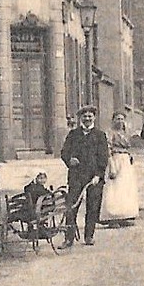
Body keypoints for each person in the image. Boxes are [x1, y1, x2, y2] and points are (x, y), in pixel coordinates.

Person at [59, 105, 109, 246]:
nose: (87, 119)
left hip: (94, 177)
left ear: (94, 118)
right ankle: (68, 238)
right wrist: (69, 160)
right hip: (76, 175)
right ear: (80, 118)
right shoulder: (73, 134)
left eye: (90, 116)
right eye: (84, 116)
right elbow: (64, 152)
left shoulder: (100, 135)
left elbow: (104, 157)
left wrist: (98, 175)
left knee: (93, 206)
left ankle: (89, 236)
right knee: (72, 206)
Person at [101, 111, 140, 225]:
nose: (120, 121)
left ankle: (124, 216)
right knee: (115, 188)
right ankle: (112, 217)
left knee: (125, 188)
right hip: (115, 159)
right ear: (113, 120)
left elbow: (130, 147)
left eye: (122, 119)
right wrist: (111, 165)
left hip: (125, 162)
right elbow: (107, 150)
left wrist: (130, 156)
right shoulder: (110, 133)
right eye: (117, 119)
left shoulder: (126, 133)